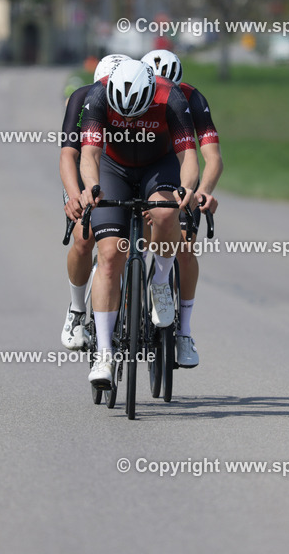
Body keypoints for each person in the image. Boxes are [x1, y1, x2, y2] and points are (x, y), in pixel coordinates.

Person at [79, 59, 199, 388]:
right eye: (124, 115)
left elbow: (188, 156)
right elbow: (89, 154)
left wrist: (187, 188)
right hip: (114, 167)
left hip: (157, 165)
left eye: (136, 114)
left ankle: (160, 282)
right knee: (109, 256)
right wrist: (91, 187)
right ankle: (104, 354)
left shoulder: (171, 97)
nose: (130, 121)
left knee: (165, 213)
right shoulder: (98, 95)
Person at [141, 49, 222, 369]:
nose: (166, 96)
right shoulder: (136, 99)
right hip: (143, 174)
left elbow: (213, 158)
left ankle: (184, 332)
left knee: (185, 250)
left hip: (180, 177)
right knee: (131, 244)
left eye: (171, 89)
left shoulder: (192, 98)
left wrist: (203, 192)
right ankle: (129, 305)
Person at [58, 54, 130, 349]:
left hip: (119, 173)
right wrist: (75, 195)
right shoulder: (83, 98)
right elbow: (69, 155)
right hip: (84, 172)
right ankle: (76, 310)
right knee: (84, 236)